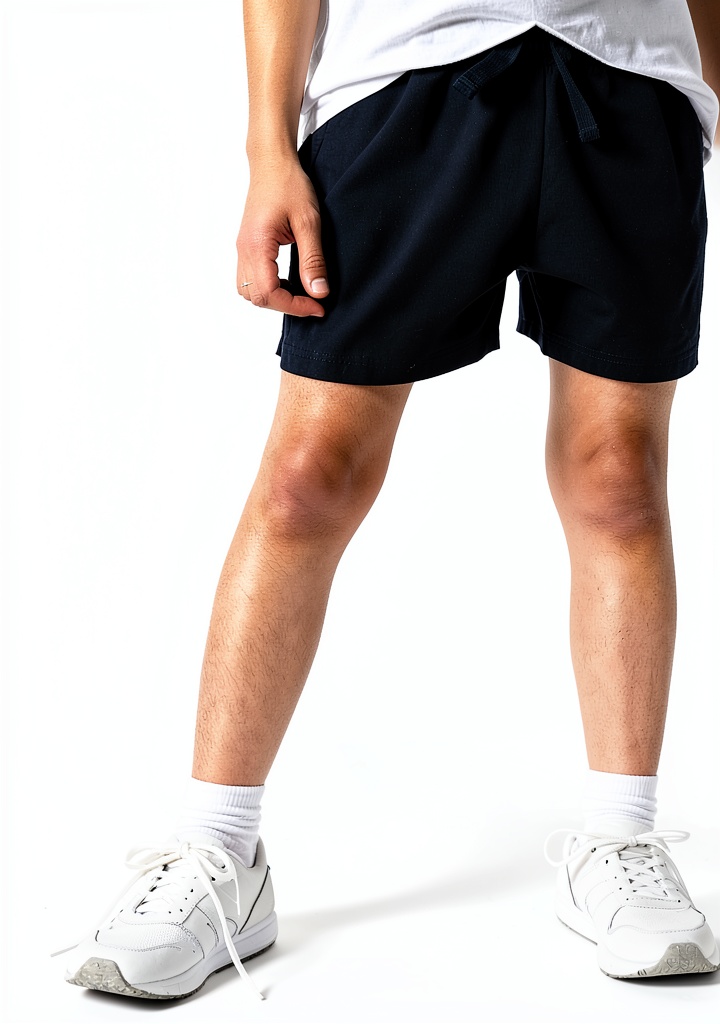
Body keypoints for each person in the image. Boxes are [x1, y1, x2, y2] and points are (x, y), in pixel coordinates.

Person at [55, 0, 720, 1001]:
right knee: (307, 475)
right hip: (402, 79)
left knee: (619, 479)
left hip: (628, 79)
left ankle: (621, 836)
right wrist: (268, 146)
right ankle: (217, 850)